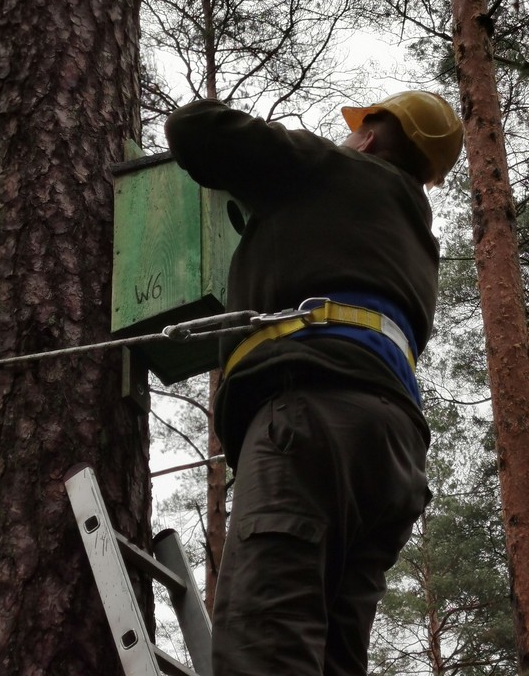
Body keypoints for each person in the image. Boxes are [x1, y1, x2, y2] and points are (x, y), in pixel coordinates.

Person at [164, 91, 463, 676]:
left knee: (266, 639)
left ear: (372, 137)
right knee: (334, 656)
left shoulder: (333, 168)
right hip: (393, 452)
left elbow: (195, 130)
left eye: (358, 130)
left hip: (309, 422)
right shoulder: (417, 242)